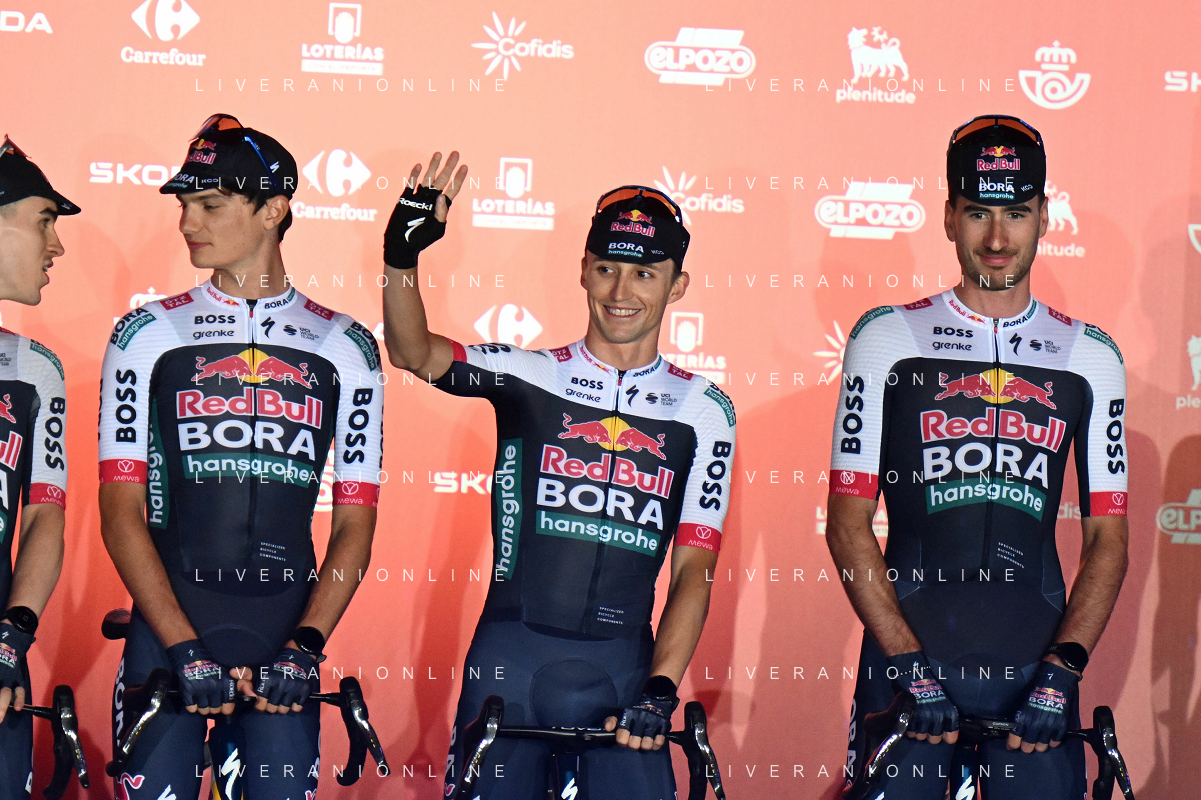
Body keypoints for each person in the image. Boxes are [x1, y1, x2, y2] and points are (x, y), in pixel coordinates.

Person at [381, 156, 736, 798]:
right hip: (509, 663)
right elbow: (412, 352)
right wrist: (401, 259)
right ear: (583, 269)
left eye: (644, 273)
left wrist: (661, 688)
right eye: (606, 268)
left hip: (625, 676)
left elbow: (694, 570)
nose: (621, 291)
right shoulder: (533, 375)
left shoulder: (705, 411)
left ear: (677, 285)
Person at [826, 115, 1129, 799]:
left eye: (1015, 214)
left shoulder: (1091, 357)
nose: (996, 239)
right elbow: (846, 525)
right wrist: (906, 663)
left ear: (1043, 217)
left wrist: (1063, 670)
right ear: (947, 217)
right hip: (905, 666)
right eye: (977, 214)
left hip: (1035, 674)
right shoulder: (885, 339)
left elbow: (1108, 539)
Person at [97, 114, 384, 799]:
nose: (187, 222)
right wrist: (182, 646)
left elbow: (355, 525)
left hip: (284, 631)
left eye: (209, 204)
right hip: (168, 628)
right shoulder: (144, 333)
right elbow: (120, 512)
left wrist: (306, 646)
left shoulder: (346, 346)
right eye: (183, 205)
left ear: (273, 209)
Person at [0, 137, 73, 799]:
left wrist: (12, 637)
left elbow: (44, 516)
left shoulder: (35, 369)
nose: (58, 247)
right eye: (45, 221)